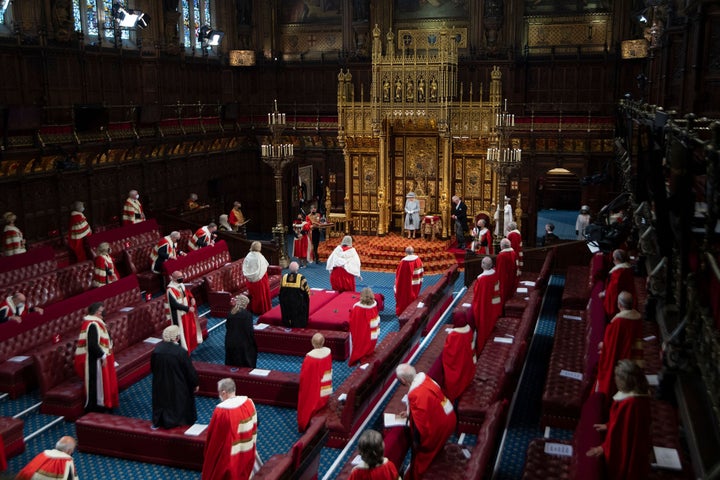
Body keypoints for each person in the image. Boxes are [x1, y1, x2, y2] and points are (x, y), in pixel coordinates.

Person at [586, 359, 651, 480]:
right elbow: (621, 423)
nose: (615, 380)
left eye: (617, 377)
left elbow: (621, 435)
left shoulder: (630, 404)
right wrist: (608, 425)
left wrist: (603, 447)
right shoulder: (638, 393)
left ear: (626, 380)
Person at [395, 363, 456, 480]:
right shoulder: (426, 379)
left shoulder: (414, 395)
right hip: (449, 418)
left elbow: (420, 426)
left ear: (402, 380)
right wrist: (410, 413)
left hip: (441, 428)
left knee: (422, 462)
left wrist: (417, 444)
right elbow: (428, 405)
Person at [202, 378, 258, 480]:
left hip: (230, 456)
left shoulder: (222, 410)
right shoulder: (249, 402)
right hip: (247, 450)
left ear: (224, 393)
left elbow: (214, 438)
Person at [595, 291, 644, 399]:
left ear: (619, 305)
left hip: (620, 361)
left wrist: (603, 345)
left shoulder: (618, 323)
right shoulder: (638, 319)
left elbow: (611, 347)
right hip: (633, 359)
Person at [151, 325, 199, 429]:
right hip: (178, 386)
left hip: (160, 385)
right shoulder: (180, 352)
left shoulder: (157, 350)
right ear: (177, 337)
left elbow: (153, 368)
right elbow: (189, 371)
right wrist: (195, 383)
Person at [74, 302, 119, 412]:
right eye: (101, 310)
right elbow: (92, 345)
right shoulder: (92, 324)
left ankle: (104, 404)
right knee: (98, 385)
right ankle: (97, 407)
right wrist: (103, 355)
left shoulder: (97, 322)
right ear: (96, 312)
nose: (103, 312)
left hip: (101, 359)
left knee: (105, 383)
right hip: (95, 361)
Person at [298, 333, 332, 432]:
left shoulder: (310, 358)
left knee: (308, 400)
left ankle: (306, 422)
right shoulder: (328, 353)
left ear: (312, 343)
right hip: (324, 387)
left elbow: (305, 376)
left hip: (314, 386)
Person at [165, 271, 202, 353]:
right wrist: (187, 308)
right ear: (173, 278)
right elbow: (175, 304)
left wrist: (192, 298)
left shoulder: (181, 285)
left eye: (182, 277)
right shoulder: (170, 290)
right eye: (179, 278)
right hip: (178, 316)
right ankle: (183, 352)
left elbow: (187, 293)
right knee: (181, 334)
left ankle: (189, 348)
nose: (181, 279)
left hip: (185, 314)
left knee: (188, 332)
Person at [441, 315, 476, 402]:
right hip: (468, 364)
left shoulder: (454, 335)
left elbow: (448, 353)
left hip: (458, 366)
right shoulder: (469, 330)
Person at [471, 257, 502, 351]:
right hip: (494, 305)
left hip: (484, 307)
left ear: (482, 265)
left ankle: (481, 348)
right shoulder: (495, 274)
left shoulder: (481, 279)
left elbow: (477, 295)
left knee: (483, 328)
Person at [599, 249, 637, 319]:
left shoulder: (618, 273)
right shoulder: (627, 269)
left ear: (616, 259)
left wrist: (604, 294)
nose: (613, 260)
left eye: (613, 258)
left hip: (618, 304)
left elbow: (613, 291)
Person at [349, 287, 380, 365]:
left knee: (361, 342)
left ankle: (361, 354)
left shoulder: (357, 307)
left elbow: (353, 320)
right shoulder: (374, 304)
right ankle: (369, 351)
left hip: (362, 331)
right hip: (372, 331)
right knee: (370, 341)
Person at [225, 294, 257, 368]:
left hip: (230, 341)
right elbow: (249, 331)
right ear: (245, 304)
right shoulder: (247, 315)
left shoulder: (230, 313)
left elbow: (227, 327)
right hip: (243, 343)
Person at [242, 241, 272, 315]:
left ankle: (255, 309)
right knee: (262, 295)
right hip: (260, 280)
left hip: (251, 281)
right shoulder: (259, 256)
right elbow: (265, 265)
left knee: (255, 296)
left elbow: (245, 267)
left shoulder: (248, 255)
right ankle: (262, 309)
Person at [394, 246, 424, 316]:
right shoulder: (418, 260)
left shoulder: (403, 262)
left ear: (406, 252)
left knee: (404, 297)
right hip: (415, 284)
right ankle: (413, 310)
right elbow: (421, 271)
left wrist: (397, 284)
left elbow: (399, 275)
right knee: (413, 296)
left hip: (405, 285)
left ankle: (403, 311)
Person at [279, 261, 310, 328]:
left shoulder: (284, 277)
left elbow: (280, 292)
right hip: (298, 306)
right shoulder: (301, 278)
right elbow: (307, 292)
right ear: (297, 269)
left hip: (286, 305)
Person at [495, 238, 519, 304]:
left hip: (503, 280)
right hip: (511, 276)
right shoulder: (513, 253)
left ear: (502, 246)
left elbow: (500, 271)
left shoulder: (501, 256)